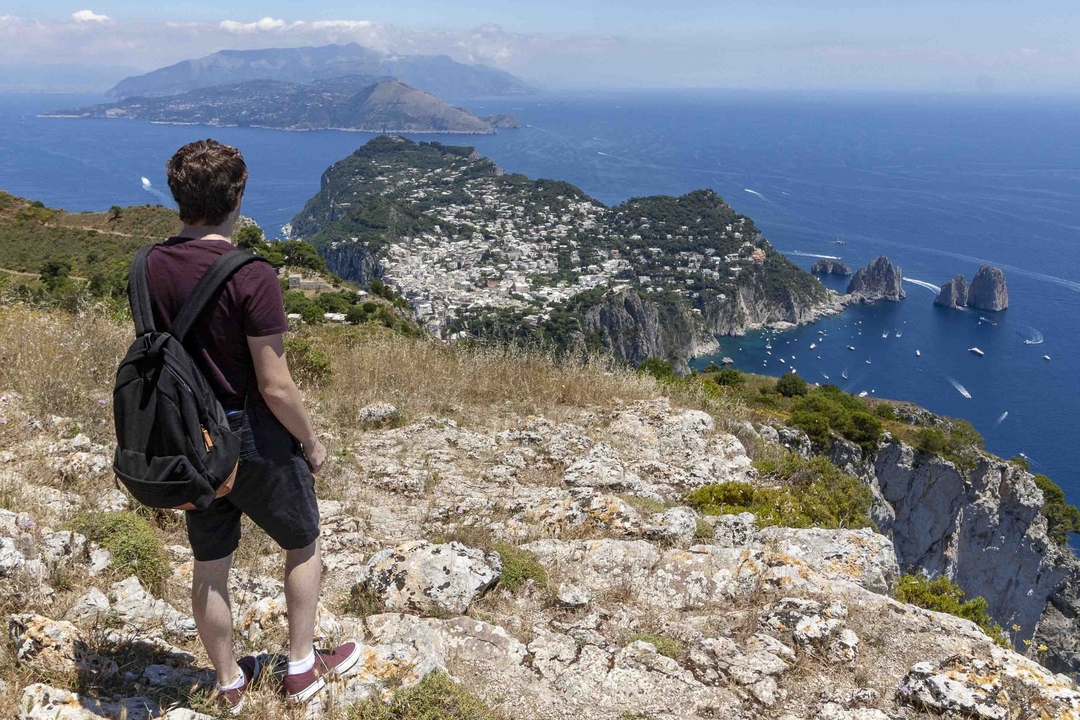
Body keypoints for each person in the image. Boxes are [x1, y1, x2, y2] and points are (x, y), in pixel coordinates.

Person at [145, 139, 358, 713]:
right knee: (303, 543)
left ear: (178, 196)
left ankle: (228, 682)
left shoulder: (149, 265)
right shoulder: (251, 273)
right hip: (253, 436)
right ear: (237, 197)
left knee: (210, 565)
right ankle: (301, 667)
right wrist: (310, 442)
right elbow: (275, 384)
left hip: (189, 440)